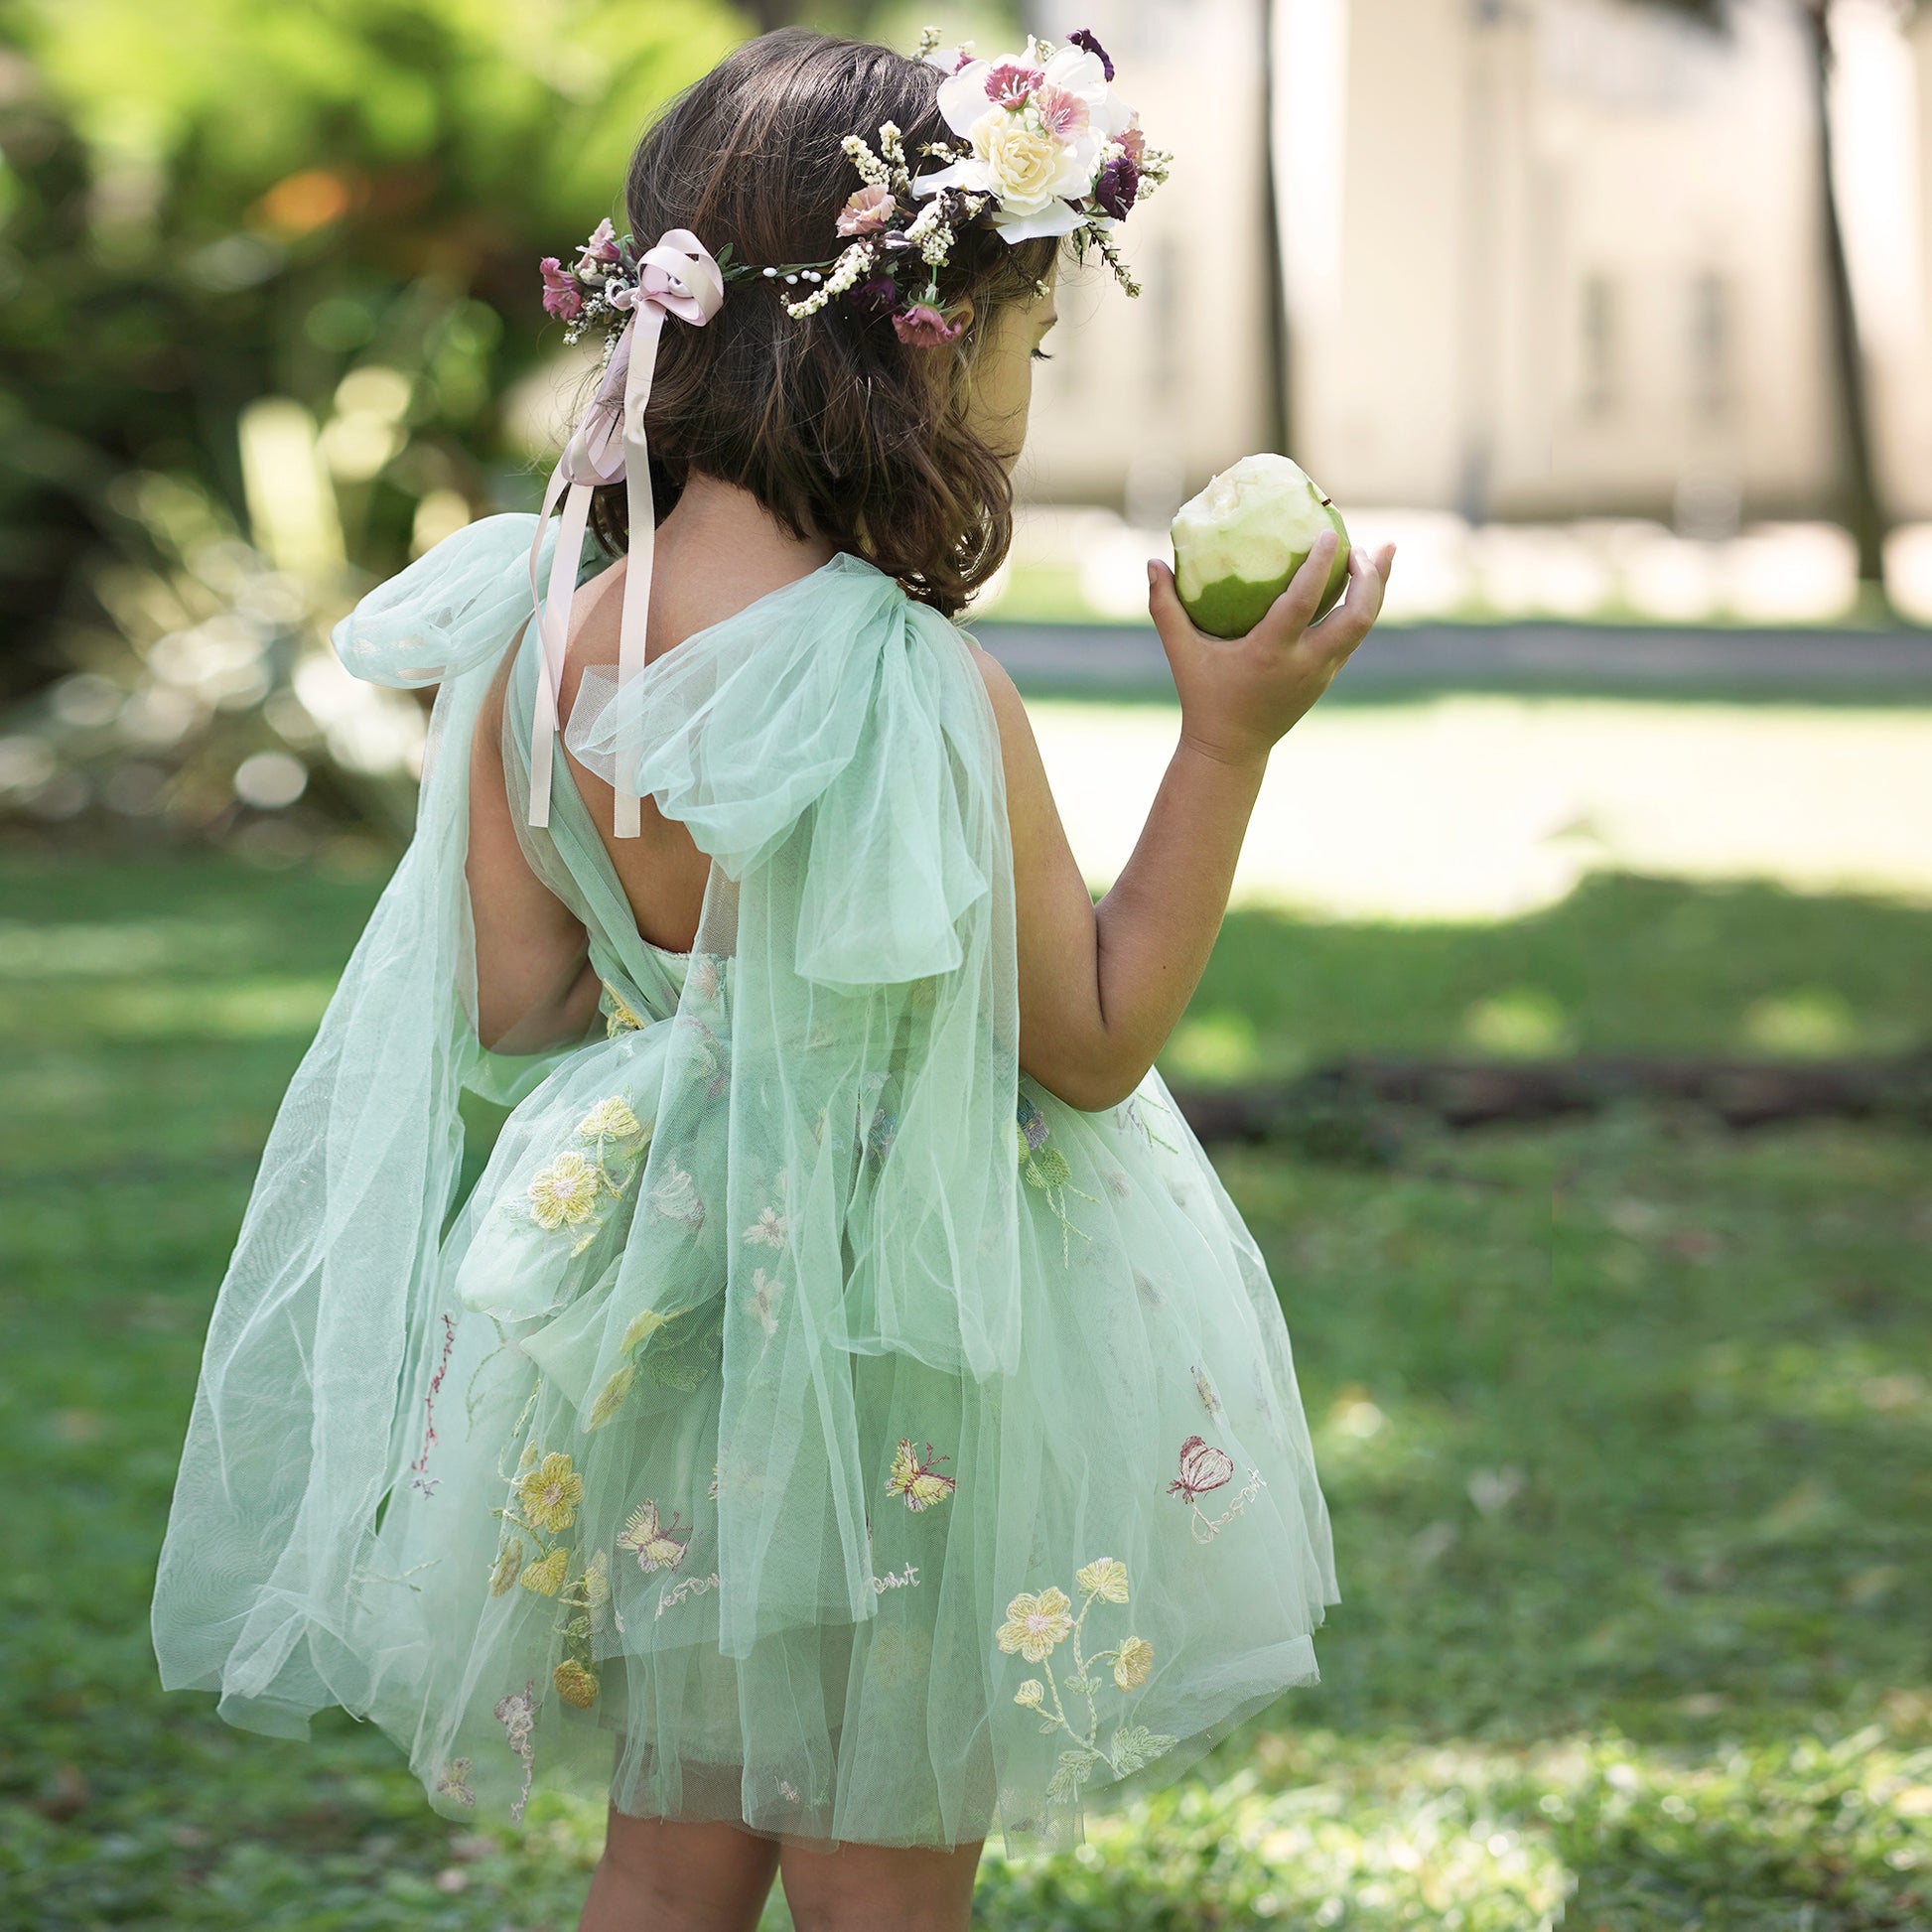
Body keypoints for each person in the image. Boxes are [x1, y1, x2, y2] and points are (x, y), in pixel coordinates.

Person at [152, 24, 1393, 1932]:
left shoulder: (533, 640)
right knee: (886, 1852)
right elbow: (1090, 1039)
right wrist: (1223, 743)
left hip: (646, 1319)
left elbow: (514, 1004)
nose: (1023, 387)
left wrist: (700, 1038)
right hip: (908, 1338)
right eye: (1024, 341)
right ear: (918, 334)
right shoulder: (910, 681)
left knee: (669, 1848)